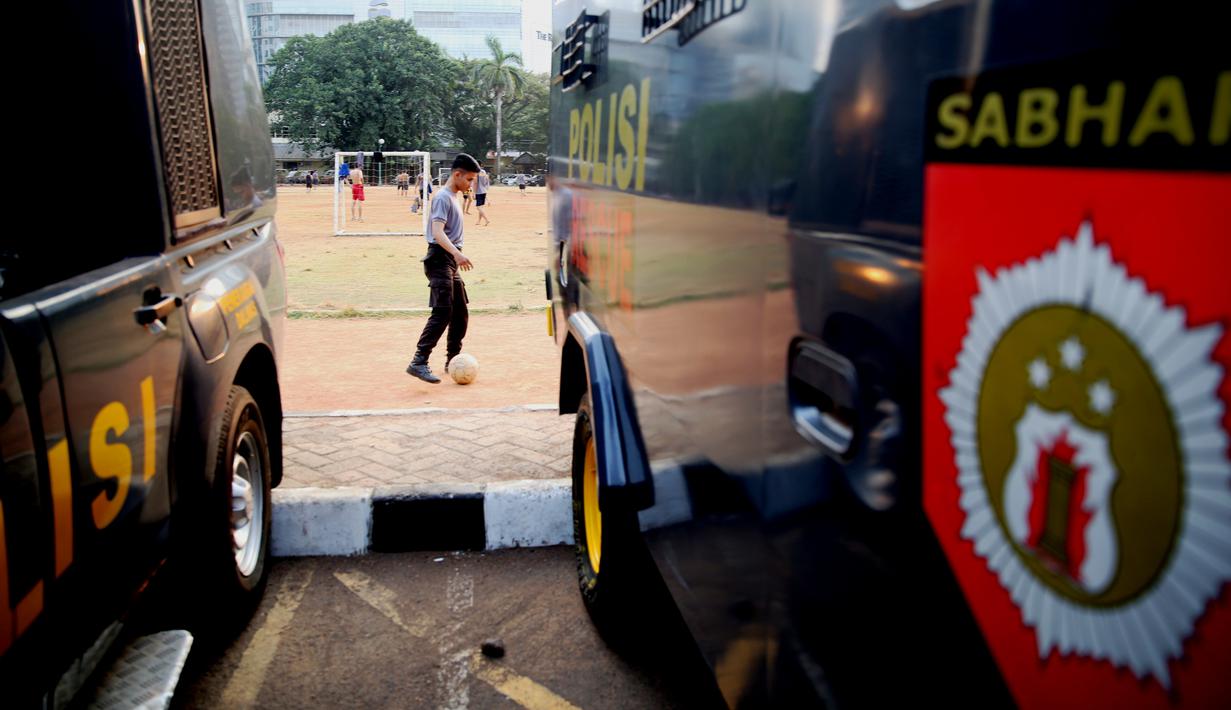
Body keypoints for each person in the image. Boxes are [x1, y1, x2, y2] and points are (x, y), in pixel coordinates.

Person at [406, 153, 481, 383]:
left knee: (460, 312)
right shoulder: (442, 198)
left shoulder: (454, 197)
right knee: (443, 311)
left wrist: (455, 256)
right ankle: (419, 361)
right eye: (469, 179)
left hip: (449, 261)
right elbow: (437, 233)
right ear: (457, 174)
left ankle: (453, 360)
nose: (471, 184)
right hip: (439, 259)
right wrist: (457, 254)